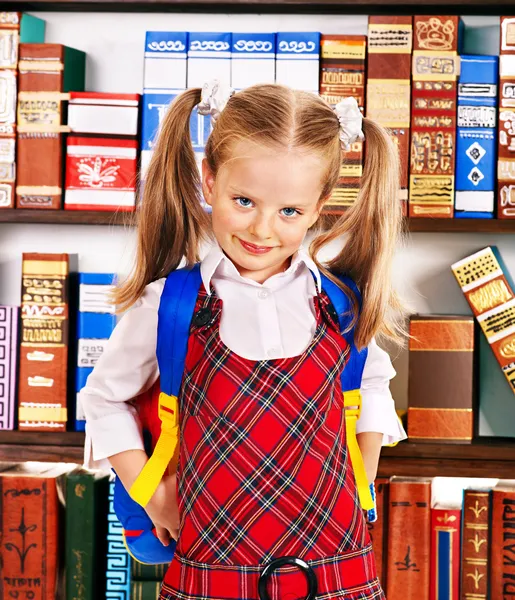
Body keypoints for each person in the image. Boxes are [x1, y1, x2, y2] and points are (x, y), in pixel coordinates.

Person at [81, 80, 407, 600]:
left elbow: (369, 392)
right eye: (244, 200)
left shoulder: (342, 303)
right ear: (209, 181)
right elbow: (102, 398)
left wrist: (362, 484)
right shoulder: (172, 305)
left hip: (339, 569)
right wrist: (154, 493)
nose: (262, 228)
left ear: (320, 205)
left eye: (290, 212)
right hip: (210, 568)